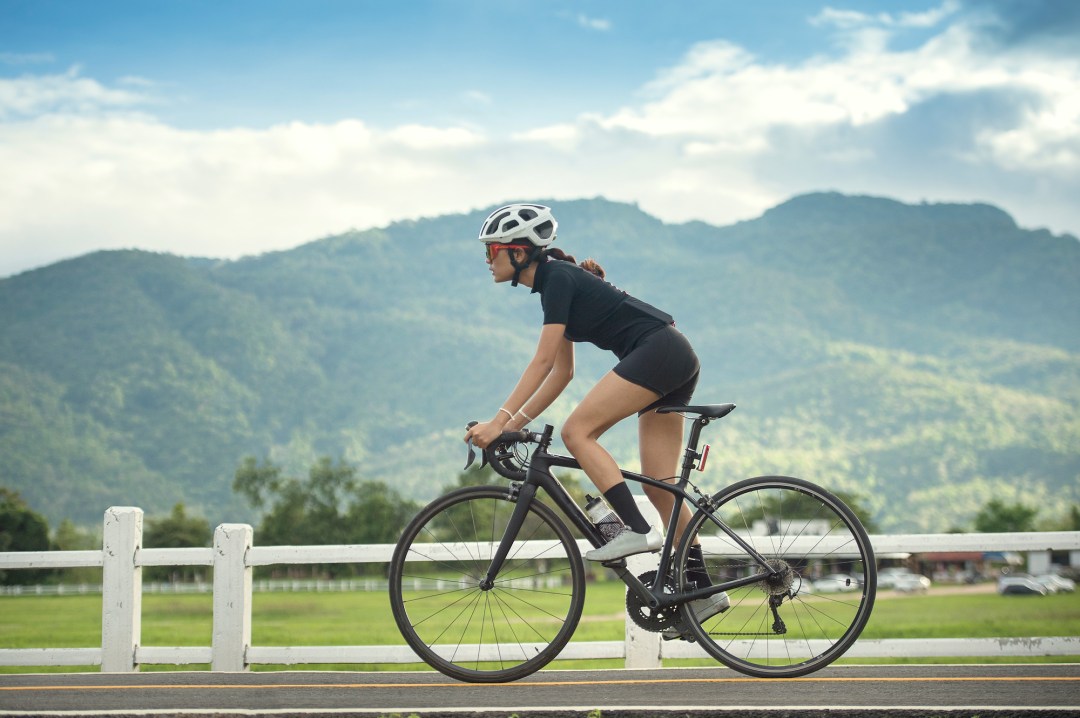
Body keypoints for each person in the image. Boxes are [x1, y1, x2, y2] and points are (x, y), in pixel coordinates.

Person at [464, 203, 728, 633]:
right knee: (661, 485)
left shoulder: (557, 279)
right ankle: (704, 591)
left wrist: (498, 422)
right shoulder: (558, 283)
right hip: (672, 355)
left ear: (517, 252)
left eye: (491, 249)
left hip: (660, 352)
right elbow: (561, 373)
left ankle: (637, 530)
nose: (486, 259)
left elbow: (542, 361)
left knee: (576, 432)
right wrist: (511, 425)